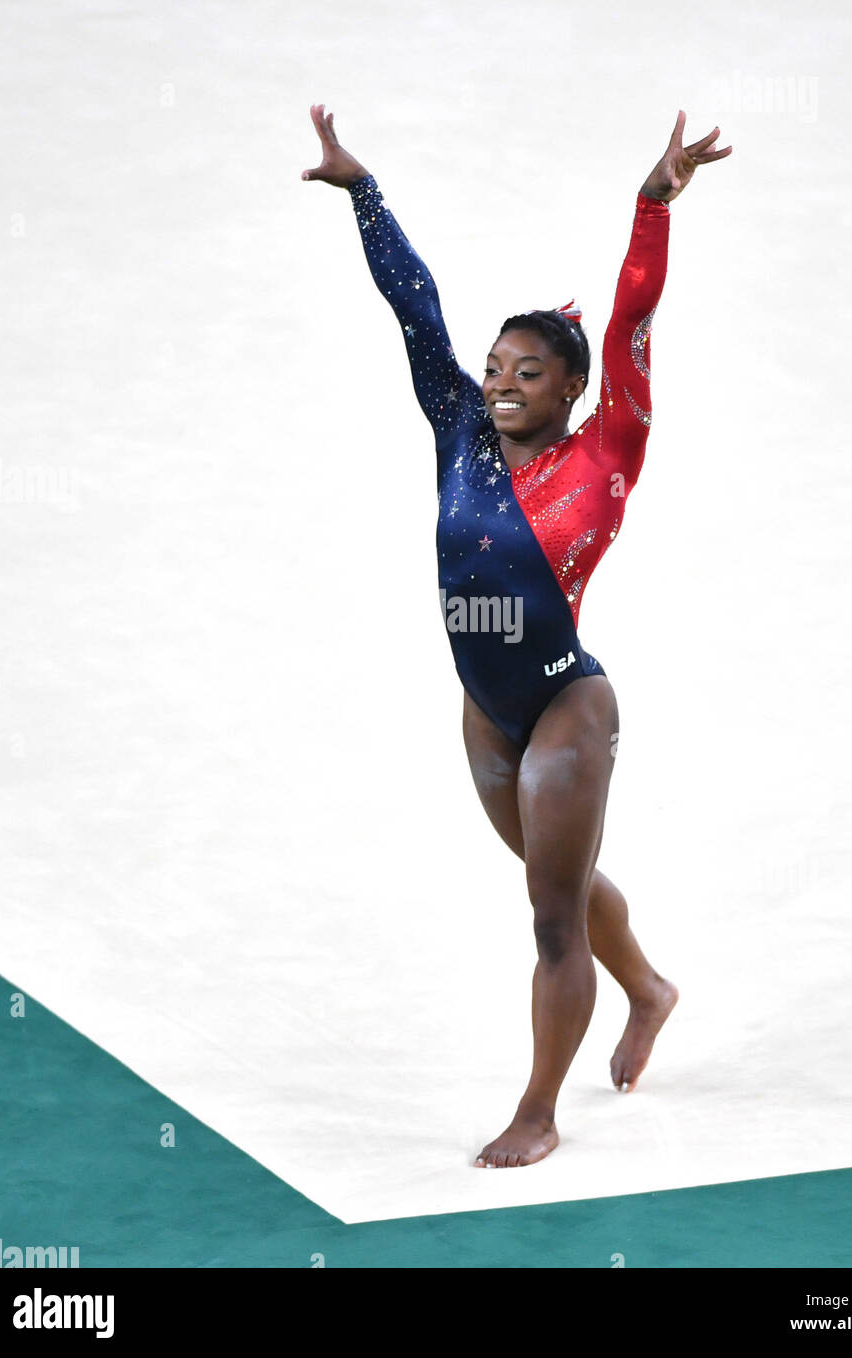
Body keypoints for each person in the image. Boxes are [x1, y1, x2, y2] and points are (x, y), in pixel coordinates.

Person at [303, 104, 732, 1168]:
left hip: (564, 705)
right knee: (565, 884)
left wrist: (653, 204)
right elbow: (415, 309)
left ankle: (538, 1108)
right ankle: (648, 986)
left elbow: (634, 313)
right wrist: (365, 194)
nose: (499, 379)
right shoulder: (458, 430)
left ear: (573, 389)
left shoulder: (608, 451)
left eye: (527, 370)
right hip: (486, 709)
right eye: (496, 363)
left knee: (548, 919)